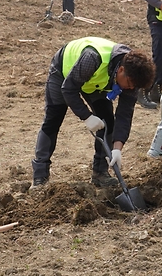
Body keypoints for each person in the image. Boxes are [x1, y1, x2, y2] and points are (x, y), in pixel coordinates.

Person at [31, 37, 155, 187]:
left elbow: (124, 115)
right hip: (64, 74)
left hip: (94, 83)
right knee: (53, 119)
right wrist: (86, 116)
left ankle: (100, 173)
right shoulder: (92, 58)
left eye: (133, 87)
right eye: (129, 84)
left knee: (107, 121)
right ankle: (40, 176)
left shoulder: (133, 78)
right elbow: (68, 89)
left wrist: (117, 148)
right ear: (121, 70)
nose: (130, 89)